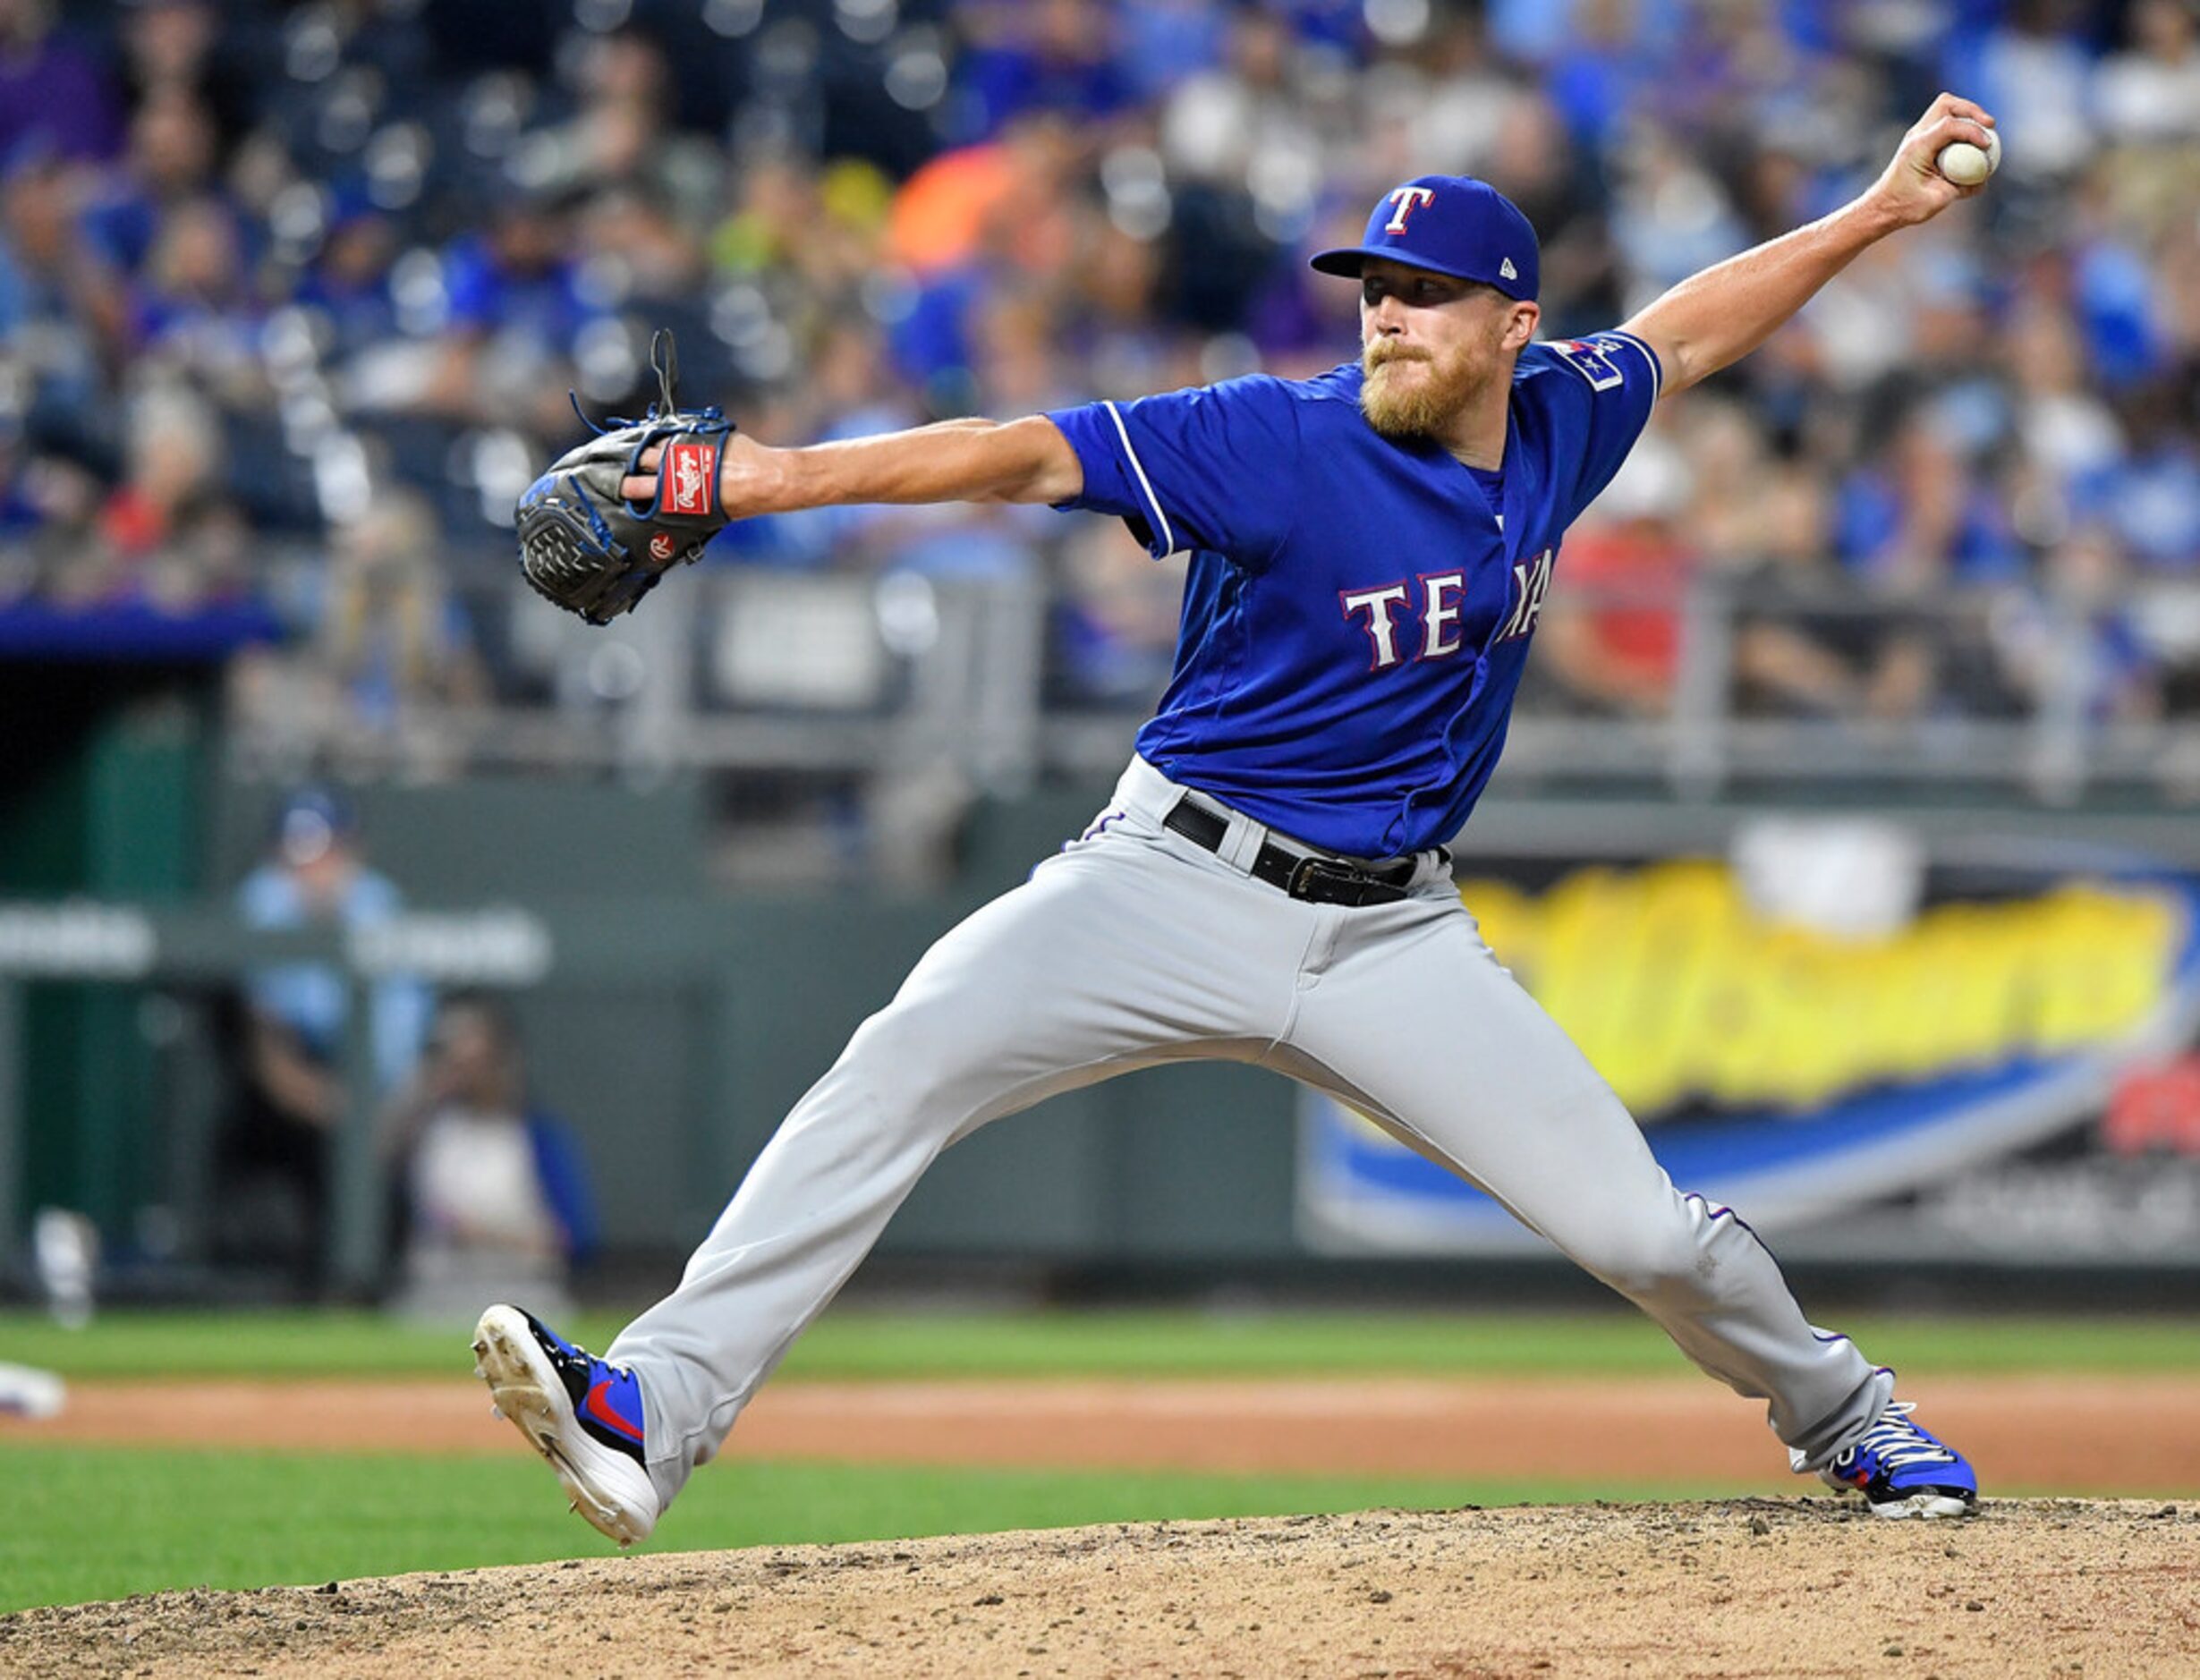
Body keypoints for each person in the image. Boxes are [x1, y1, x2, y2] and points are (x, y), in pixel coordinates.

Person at [473, 95, 2000, 1546]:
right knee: (902, 1058)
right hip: (1169, 880)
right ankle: (651, 1406)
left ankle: (1845, 1411)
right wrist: (766, 478)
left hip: (1394, 933)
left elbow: (1684, 332)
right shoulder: (1273, 434)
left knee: (1648, 1236)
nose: (1385, 314)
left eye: (1425, 292)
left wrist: (1872, 209)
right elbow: (1019, 451)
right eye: (1371, 288)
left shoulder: (1556, 419)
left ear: (1511, 327)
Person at [211, 786, 429, 1294]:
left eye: (326, 853)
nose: (314, 871)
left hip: (382, 1102)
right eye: (299, 856)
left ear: (352, 850)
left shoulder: (380, 906)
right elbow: (271, 1056)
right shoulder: (263, 906)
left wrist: (385, 1119)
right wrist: (347, 1120)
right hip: (294, 1112)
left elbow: (408, 1043)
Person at [383, 993, 597, 1320]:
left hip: (524, 1296)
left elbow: (578, 1238)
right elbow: (378, 1170)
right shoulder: (428, 1130)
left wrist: (488, 1235)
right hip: (438, 1298)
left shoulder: (537, 1135)